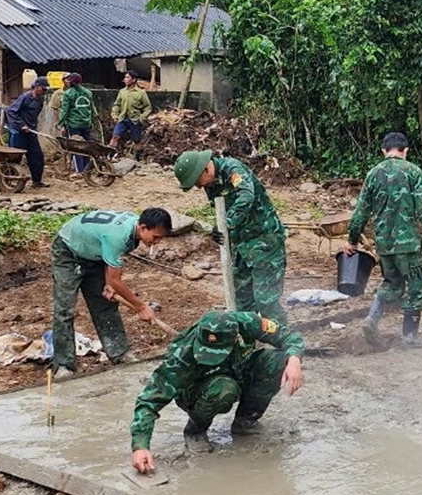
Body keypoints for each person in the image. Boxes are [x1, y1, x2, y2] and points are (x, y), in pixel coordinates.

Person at [130, 309, 305, 469]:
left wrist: (295, 358)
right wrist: (140, 445)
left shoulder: (247, 322)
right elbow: (149, 399)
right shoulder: (181, 356)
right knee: (223, 389)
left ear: (235, 338)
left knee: (278, 362)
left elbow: (288, 336)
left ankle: (246, 421)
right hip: (200, 389)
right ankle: (195, 431)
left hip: (237, 370)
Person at [344, 132, 422, 347]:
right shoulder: (413, 172)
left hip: (384, 245)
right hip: (408, 245)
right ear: (405, 150)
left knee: (392, 283)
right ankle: (409, 337)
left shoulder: (373, 174)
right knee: (416, 289)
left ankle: (372, 318)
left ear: (384, 151)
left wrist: (352, 240)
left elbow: (361, 211)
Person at [50, 207, 172, 380]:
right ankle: (63, 364)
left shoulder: (132, 231)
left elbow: (113, 264)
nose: (157, 242)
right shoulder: (118, 235)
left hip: (95, 252)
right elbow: (117, 279)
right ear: (143, 227)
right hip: (69, 251)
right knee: (64, 309)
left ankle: (119, 352)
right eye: (156, 237)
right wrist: (141, 307)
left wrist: (109, 283)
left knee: (105, 304)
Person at [173, 150, 288, 325]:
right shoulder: (210, 184)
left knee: (266, 301)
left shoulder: (233, 169)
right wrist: (218, 229)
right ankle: (246, 343)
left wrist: (227, 223)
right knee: (242, 299)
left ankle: (286, 344)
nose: (198, 187)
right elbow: (222, 209)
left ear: (205, 169)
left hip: (265, 240)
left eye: (197, 182)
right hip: (241, 244)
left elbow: (246, 195)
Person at [6, 77, 49, 188]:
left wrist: (32, 127)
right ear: (37, 87)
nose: (44, 92)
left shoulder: (40, 100)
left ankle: (37, 181)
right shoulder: (24, 98)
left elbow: (34, 116)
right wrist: (21, 125)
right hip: (19, 132)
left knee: (37, 156)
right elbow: (11, 111)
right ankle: (8, 180)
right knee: (15, 157)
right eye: (43, 89)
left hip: (31, 132)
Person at [58, 71, 95, 177]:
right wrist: (91, 121)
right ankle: (88, 169)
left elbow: (64, 111)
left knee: (76, 147)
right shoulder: (88, 93)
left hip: (74, 124)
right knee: (87, 146)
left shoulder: (68, 94)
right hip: (86, 123)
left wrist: (61, 124)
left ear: (71, 82)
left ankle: (80, 171)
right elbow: (91, 109)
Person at [109, 70, 151, 154]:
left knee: (136, 140)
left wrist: (142, 118)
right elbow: (116, 104)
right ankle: (109, 154)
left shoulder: (141, 93)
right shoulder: (122, 92)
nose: (125, 79)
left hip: (135, 120)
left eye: (127, 77)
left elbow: (148, 107)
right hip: (123, 118)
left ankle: (137, 158)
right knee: (115, 136)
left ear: (134, 80)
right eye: (125, 77)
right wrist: (114, 115)